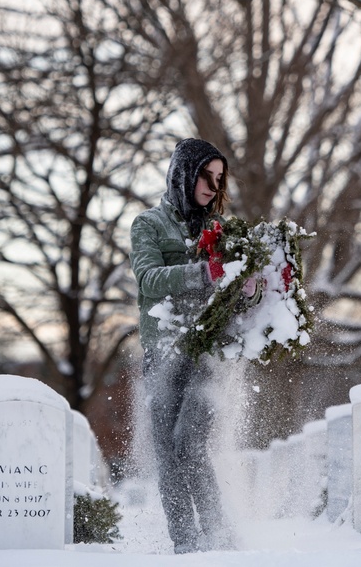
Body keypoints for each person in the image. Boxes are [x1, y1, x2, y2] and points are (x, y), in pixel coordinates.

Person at [130, 138, 244, 553]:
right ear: (184, 173)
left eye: (219, 179)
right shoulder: (148, 225)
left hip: (208, 353)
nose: (213, 187)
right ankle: (186, 546)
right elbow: (148, 279)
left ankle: (218, 536)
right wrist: (203, 271)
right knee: (167, 453)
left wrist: (248, 284)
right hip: (162, 351)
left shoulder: (223, 230)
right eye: (205, 176)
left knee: (190, 443)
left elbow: (234, 291)